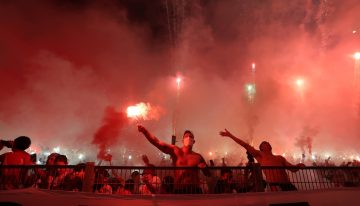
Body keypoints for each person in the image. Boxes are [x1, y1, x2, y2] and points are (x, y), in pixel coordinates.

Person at [219, 129, 305, 191]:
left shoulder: (280, 158)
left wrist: (298, 165)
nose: (266, 143)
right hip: (275, 186)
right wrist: (230, 135)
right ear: (261, 148)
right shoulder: (260, 155)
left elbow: (292, 169)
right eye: (264, 143)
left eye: (267, 143)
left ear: (270, 147)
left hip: (287, 184)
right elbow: (245, 145)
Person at [137, 125, 210, 194]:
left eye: (191, 136)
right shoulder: (176, 151)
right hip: (180, 190)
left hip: (194, 190)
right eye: (186, 136)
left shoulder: (198, 157)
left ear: (194, 141)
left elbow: (208, 174)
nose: (188, 138)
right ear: (182, 140)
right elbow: (157, 143)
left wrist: (205, 169)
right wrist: (145, 132)